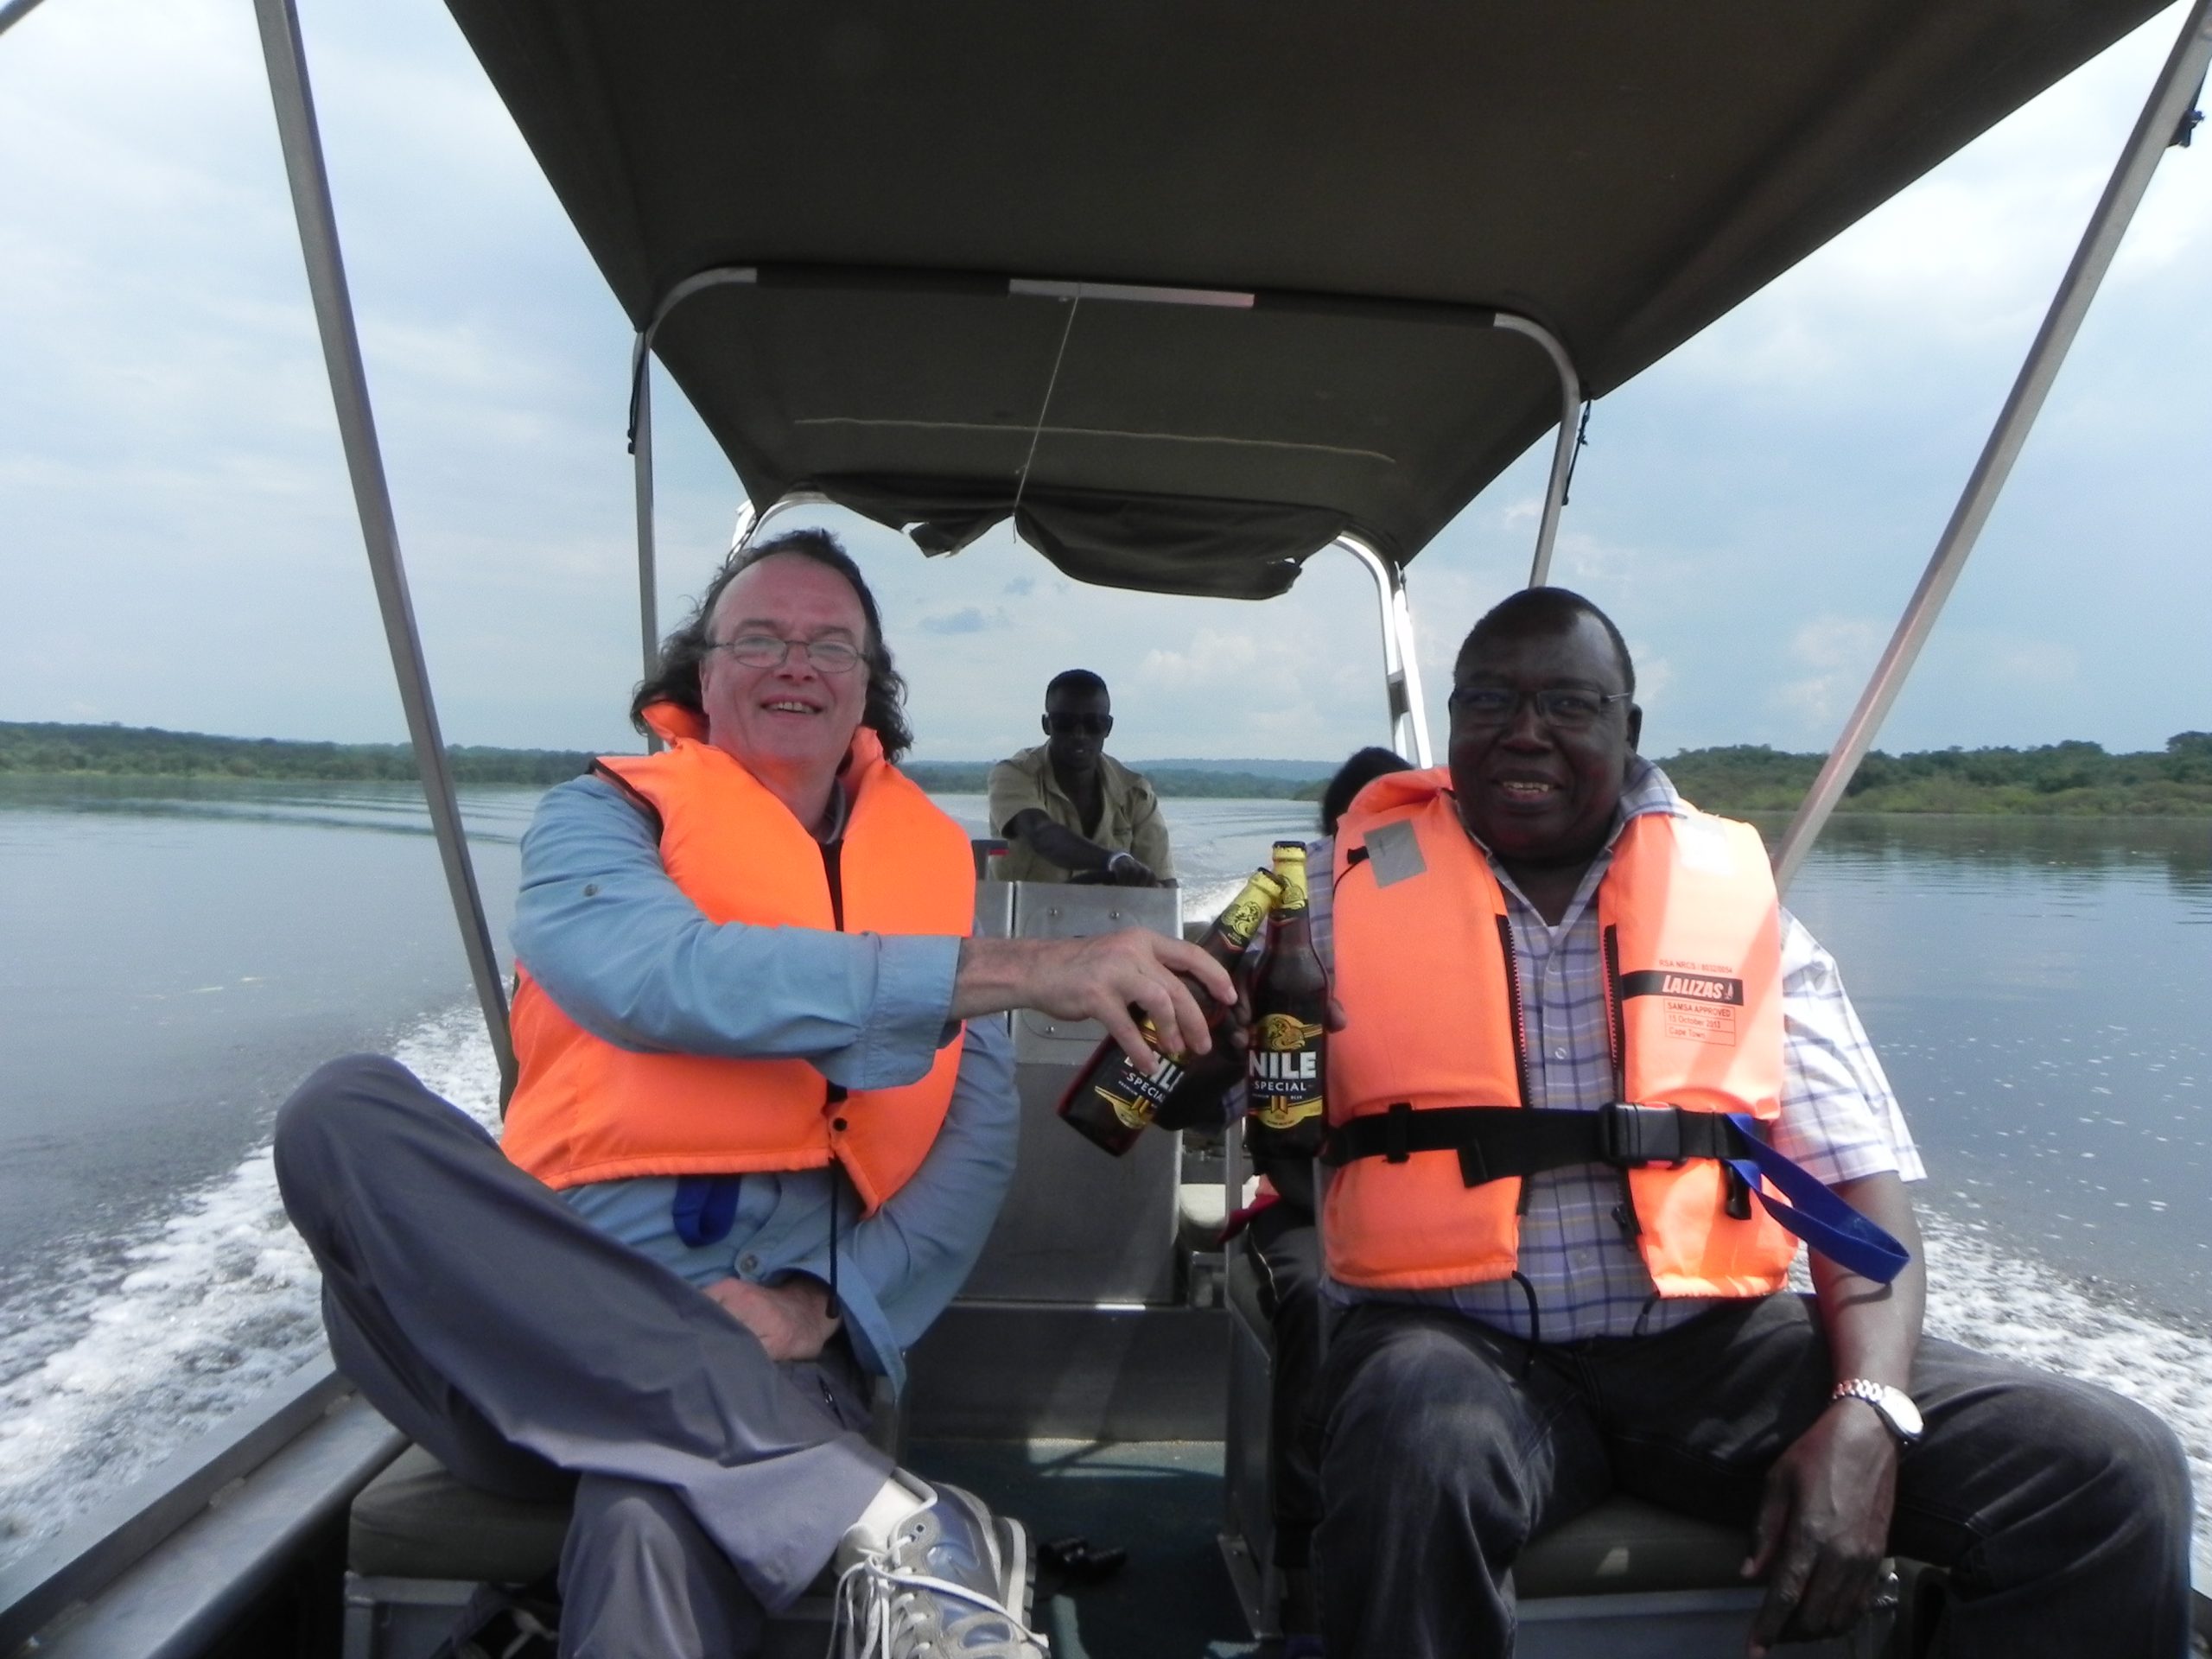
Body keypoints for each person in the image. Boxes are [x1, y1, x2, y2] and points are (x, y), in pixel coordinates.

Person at [272, 530, 1232, 1659]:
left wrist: (820, 1307)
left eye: (830, 645)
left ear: (869, 687)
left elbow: (970, 1153)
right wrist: (1020, 969)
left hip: (779, 1340)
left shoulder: (930, 870)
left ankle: (820, 1484)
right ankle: (881, 1514)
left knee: (649, 1515)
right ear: (702, 671)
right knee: (339, 1114)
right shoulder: (599, 819)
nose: (795, 664)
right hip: (528, 1322)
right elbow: (652, 976)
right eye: (760, 638)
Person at [1300, 588, 2193, 1658]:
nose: (1524, 731)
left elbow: (1860, 1191)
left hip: (1711, 1350)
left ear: (1628, 727)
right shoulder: (1334, 897)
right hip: (1451, 1343)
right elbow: (1219, 1083)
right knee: (1416, 1442)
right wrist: (1210, 1044)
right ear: (1451, 720)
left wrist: (1867, 1408)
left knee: (2109, 1470)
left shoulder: (1736, 908)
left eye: (1568, 703)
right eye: (1488, 699)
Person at [1226, 746, 1408, 1648]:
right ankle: (1302, 1568)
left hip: (1432, 1210)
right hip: (1307, 1203)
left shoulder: (1462, 941)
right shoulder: (1289, 954)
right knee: (1316, 1295)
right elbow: (1228, 1097)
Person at [988, 669, 1174, 885]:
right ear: (1047, 725)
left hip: (1109, 909)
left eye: (1093, 724)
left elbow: (1165, 885)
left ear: (1108, 727)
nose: (1079, 734)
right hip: (1023, 907)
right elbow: (1042, 835)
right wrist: (1114, 860)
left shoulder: (1135, 793)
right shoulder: (1015, 774)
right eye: (1065, 723)